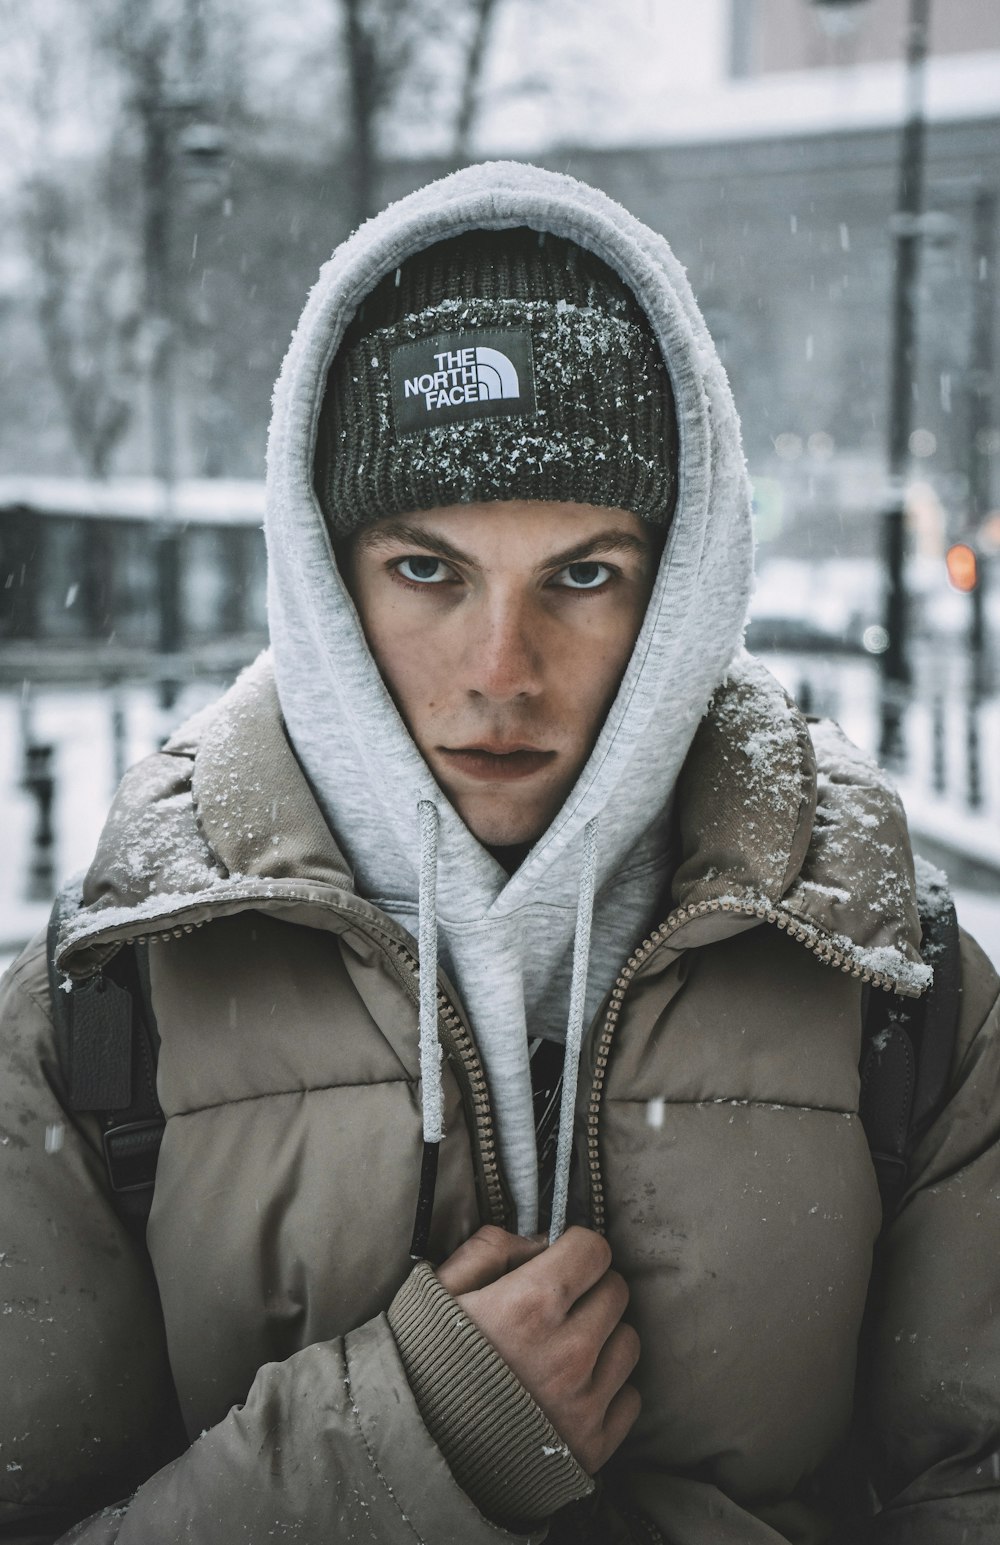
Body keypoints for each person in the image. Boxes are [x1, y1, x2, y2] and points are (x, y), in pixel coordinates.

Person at [1, 159, 998, 1545]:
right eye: (427, 571)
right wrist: (410, 1441)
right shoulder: (103, 1002)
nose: (500, 670)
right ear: (327, 573)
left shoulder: (900, 986)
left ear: (681, 580)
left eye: (583, 575)